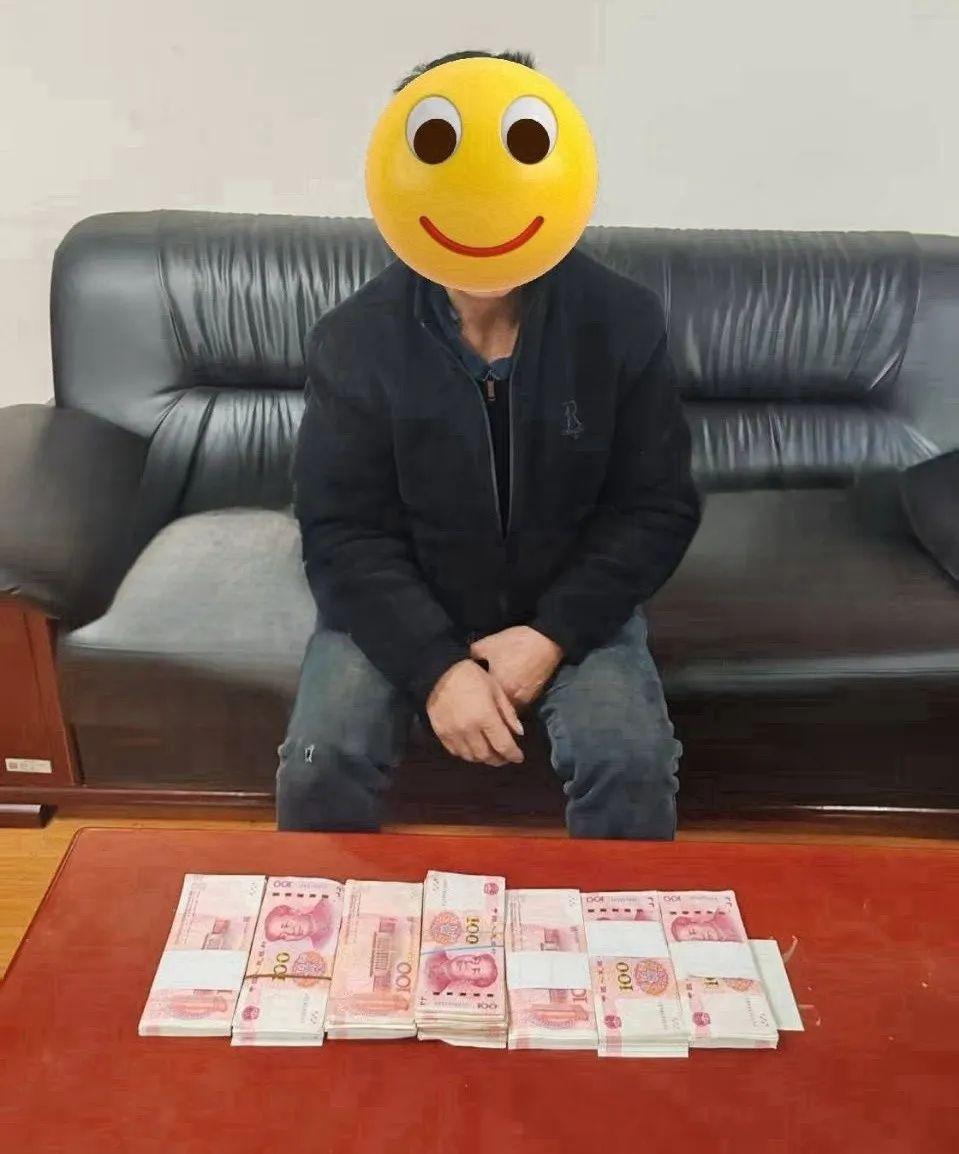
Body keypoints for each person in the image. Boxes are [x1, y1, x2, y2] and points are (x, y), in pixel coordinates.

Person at [278, 49, 701, 839]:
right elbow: (342, 532)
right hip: (405, 602)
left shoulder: (621, 321)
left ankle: (610, 920)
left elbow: (655, 508)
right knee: (319, 757)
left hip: (566, 605)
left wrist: (550, 635)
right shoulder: (353, 339)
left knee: (628, 760)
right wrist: (437, 668)